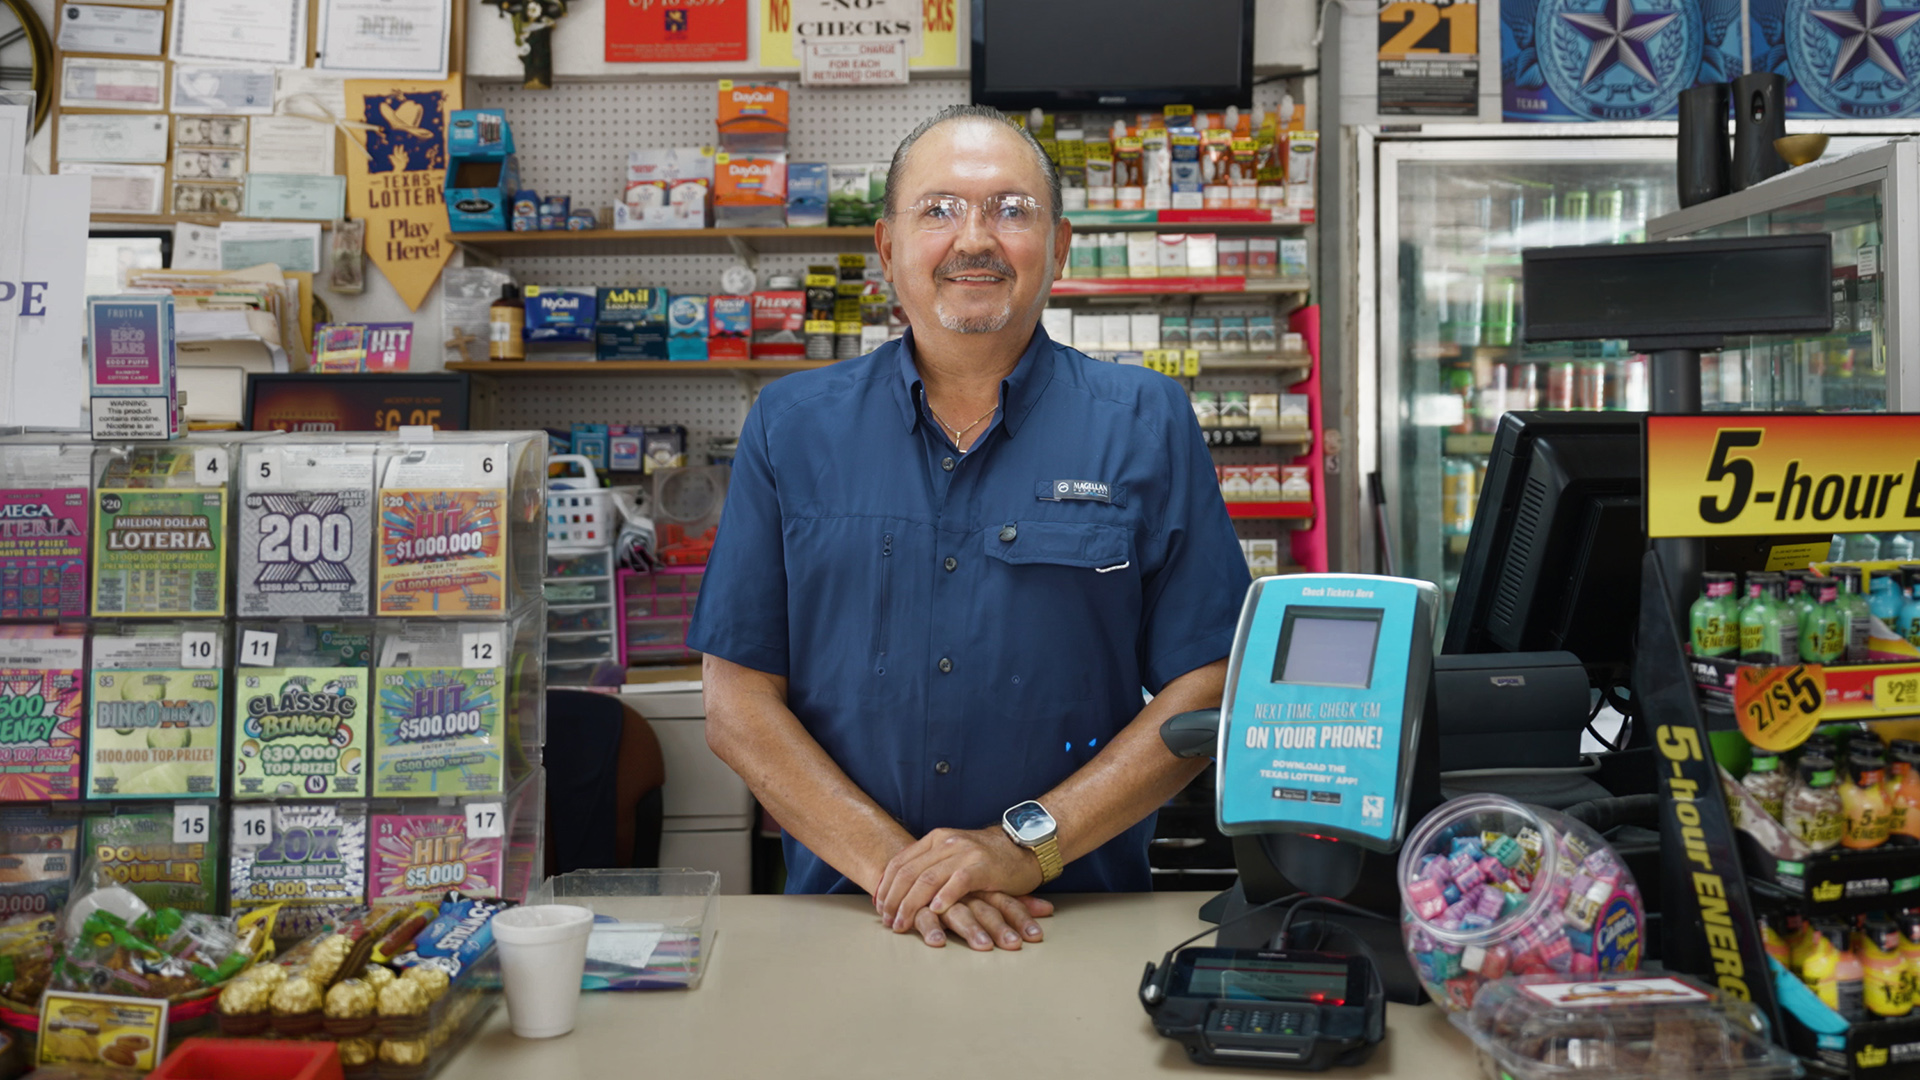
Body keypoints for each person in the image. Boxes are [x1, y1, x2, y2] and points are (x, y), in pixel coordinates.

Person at [687, 104, 1249, 952]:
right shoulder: (791, 425)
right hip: (848, 923)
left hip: (1069, 924)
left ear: (1058, 249)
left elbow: (1207, 687)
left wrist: (1025, 848)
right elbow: (736, 703)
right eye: (939, 208)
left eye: (1011, 210)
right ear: (887, 248)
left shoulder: (1145, 422)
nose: (974, 238)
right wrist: (904, 872)